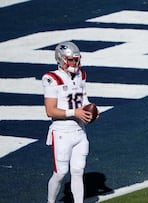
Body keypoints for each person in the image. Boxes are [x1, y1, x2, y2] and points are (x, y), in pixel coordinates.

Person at [42, 41, 99, 203]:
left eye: (76, 59)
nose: (75, 63)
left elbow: (84, 100)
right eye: (71, 60)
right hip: (62, 132)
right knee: (60, 173)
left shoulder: (81, 75)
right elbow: (50, 111)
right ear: (61, 59)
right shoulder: (51, 78)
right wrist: (75, 112)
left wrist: (92, 110)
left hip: (79, 131)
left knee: (77, 170)